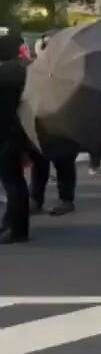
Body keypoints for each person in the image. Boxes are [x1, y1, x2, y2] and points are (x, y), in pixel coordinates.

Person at [0, 35, 30, 244]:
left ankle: (17, 228)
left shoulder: (3, 74)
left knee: (11, 181)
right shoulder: (24, 71)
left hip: (5, 133)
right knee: (17, 180)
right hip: (20, 131)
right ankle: (14, 222)